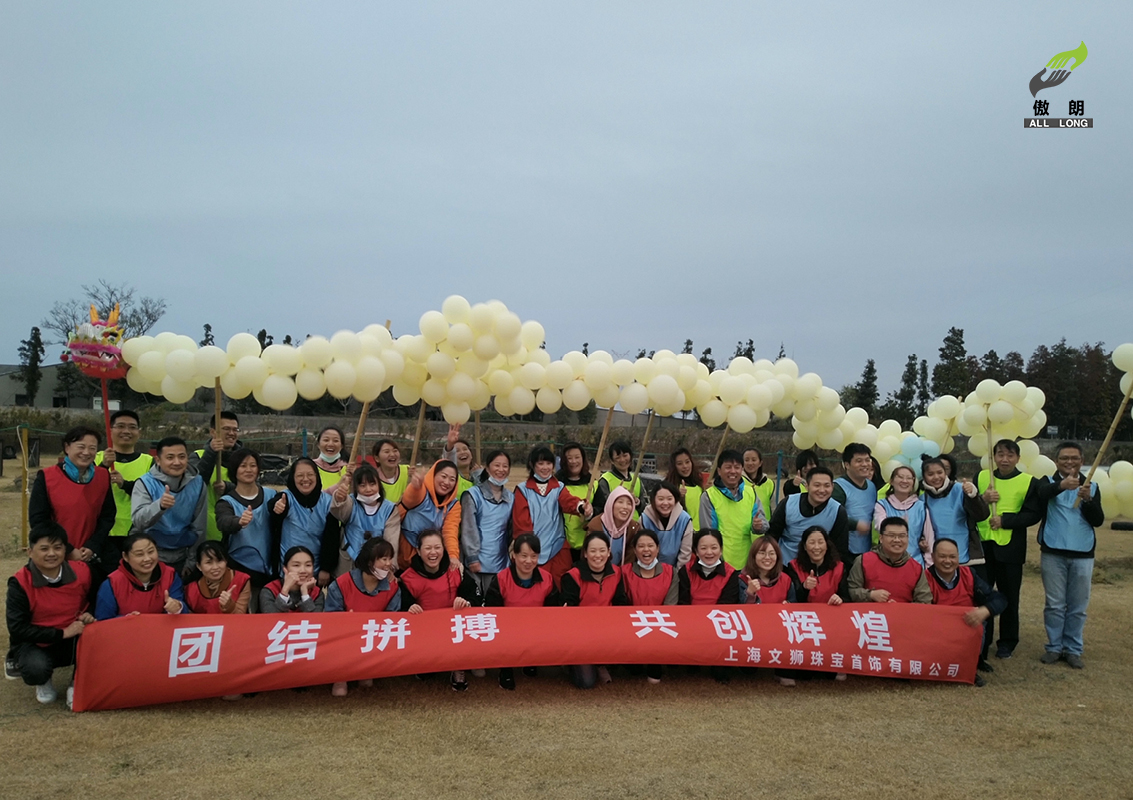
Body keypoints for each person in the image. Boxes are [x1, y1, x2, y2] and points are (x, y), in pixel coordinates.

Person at [6, 522, 95, 708]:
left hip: (75, 636)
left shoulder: (82, 571)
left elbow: (96, 600)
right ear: (30, 552)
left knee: (100, 644)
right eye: (44, 549)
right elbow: (18, 628)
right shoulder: (19, 583)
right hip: (36, 641)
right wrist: (62, 633)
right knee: (36, 669)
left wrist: (89, 614)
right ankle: (43, 679)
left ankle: (77, 683)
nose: (52, 554)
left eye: (57, 547)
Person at [1032, 442, 1104, 669]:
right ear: (1056, 461)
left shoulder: (1091, 486)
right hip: (1053, 552)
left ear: (1082, 461)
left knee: (1078, 606)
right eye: (1064, 458)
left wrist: (1088, 500)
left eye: (1074, 458)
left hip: (1083, 554)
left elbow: (1098, 520)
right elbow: (1041, 495)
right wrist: (1061, 486)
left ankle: (1073, 649)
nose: (1069, 462)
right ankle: (1054, 647)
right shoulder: (1047, 482)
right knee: (1054, 604)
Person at [977, 439, 1041, 660]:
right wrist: (983, 499)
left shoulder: (1028, 482)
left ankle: (1007, 642)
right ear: (993, 456)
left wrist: (1006, 521)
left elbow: (1033, 514)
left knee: (1010, 597)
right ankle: (982, 639)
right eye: (1000, 454)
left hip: (1011, 550)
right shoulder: (982, 477)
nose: (1005, 459)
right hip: (984, 548)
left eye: (1010, 455)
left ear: (1018, 458)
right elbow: (970, 507)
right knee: (982, 596)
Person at [399, 530, 481, 691]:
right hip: (425, 630)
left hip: (454, 629)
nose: (433, 552)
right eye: (428, 548)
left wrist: (467, 603)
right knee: (425, 672)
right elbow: (399, 609)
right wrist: (409, 608)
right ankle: (426, 662)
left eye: (437, 547)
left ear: (444, 549)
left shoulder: (456, 570)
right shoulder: (408, 577)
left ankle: (458, 667)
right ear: (418, 551)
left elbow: (475, 596)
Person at [29, 425, 115, 568]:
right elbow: (39, 520)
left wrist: (93, 546)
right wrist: (67, 549)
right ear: (67, 447)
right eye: (81, 447)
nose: (86, 452)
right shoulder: (47, 477)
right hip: (54, 555)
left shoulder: (103, 476)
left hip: (90, 556)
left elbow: (107, 516)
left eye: (92, 448)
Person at [325, 537, 401, 696]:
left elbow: (393, 618)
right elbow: (330, 617)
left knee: (366, 684)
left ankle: (366, 669)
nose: (388, 564)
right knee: (340, 691)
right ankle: (340, 676)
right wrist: (346, 619)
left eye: (390, 558)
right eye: (383, 559)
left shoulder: (393, 587)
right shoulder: (342, 584)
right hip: (345, 638)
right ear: (369, 561)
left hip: (373, 639)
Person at [484, 533, 561, 690]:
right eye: (524, 556)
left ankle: (531, 661)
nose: (528, 561)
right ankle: (506, 669)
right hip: (507, 629)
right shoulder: (501, 579)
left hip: (536, 627)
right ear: (514, 555)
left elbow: (553, 610)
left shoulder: (547, 579)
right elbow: (492, 613)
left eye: (533, 556)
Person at [925, 538, 1006, 684]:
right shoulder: (925, 579)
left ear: (959, 557)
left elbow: (999, 599)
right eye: (942, 556)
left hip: (967, 629)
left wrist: (985, 610)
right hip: (938, 633)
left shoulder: (969, 575)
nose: (947, 561)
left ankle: (972, 664)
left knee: (980, 621)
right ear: (932, 557)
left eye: (952, 556)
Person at [512, 445, 592, 585]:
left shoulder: (559, 487)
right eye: (541, 463)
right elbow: (522, 524)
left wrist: (581, 507)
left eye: (549, 463)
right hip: (533, 551)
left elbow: (568, 501)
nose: (545, 467)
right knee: (538, 587)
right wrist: (528, 549)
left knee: (562, 585)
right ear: (532, 465)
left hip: (557, 547)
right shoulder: (522, 490)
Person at [130, 436, 207, 574]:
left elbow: (199, 527)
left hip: (183, 555)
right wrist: (159, 506)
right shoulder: (145, 483)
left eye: (182, 457)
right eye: (170, 457)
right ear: (158, 460)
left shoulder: (198, 483)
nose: (177, 462)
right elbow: (138, 521)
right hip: (151, 555)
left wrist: (192, 561)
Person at [561, 531, 628, 688]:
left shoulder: (617, 573)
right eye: (593, 551)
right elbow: (568, 611)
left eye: (602, 550)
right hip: (581, 635)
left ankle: (601, 663)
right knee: (586, 682)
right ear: (585, 553)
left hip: (608, 630)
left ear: (609, 552)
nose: (598, 555)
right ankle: (574, 664)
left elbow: (621, 604)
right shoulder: (572, 576)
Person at [215, 448, 279, 607]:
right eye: (243, 466)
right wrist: (239, 522)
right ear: (234, 470)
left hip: (271, 568)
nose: (248, 470)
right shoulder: (226, 502)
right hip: (240, 569)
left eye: (253, 465)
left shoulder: (272, 495)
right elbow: (223, 522)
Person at [677, 529, 741, 683]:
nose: (709, 552)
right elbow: (683, 602)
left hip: (719, 625)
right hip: (692, 623)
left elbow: (727, 605)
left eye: (714, 547)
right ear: (696, 551)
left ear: (721, 549)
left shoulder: (731, 573)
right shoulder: (686, 571)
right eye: (703, 548)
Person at [95, 409, 153, 567]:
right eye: (120, 426)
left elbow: (152, 493)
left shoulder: (149, 462)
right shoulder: (97, 458)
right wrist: (103, 467)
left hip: (137, 532)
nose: (126, 431)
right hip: (103, 532)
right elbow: (87, 490)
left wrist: (125, 484)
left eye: (132, 427)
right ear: (110, 430)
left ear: (139, 432)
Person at [620, 529, 678, 684]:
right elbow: (622, 605)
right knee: (634, 671)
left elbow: (670, 606)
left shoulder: (671, 572)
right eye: (641, 546)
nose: (646, 550)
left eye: (650, 546)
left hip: (660, 627)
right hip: (633, 626)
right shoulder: (624, 572)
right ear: (634, 550)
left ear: (658, 549)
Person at [271, 458, 337, 586]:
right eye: (300, 475)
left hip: (315, 569)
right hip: (288, 570)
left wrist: (326, 568)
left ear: (317, 476)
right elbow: (274, 507)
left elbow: (331, 538)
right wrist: (277, 508)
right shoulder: (286, 497)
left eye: (310, 474)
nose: (305, 479)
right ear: (293, 477)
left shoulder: (327, 502)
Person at [698, 449, 768, 569]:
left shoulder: (751, 493)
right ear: (719, 471)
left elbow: (763, 524)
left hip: (748, 562)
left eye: (737, 467)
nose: (733, 471)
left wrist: (758, 526)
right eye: (728, 467)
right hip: (721, 563)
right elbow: (708, 533)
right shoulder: (709, 496)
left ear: (742, 470)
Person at [94, 533, 189, 618]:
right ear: (125, 557)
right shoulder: (113, 583)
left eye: (151, 552)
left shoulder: (170, 575)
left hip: (162, 631)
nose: (147, 559)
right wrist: (125, 620)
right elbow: (103, 621)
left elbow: (183, 612)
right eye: (139, 554)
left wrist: (178, 607)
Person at [767, 466, 849, 565]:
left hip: (818, 566)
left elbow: (840, 548)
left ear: (832, 487)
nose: (822, 490)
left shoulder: (838, 511)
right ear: (807, 485)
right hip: (785, 563)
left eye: (827, 486)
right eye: (817, 485)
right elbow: (772, 535)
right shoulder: (788, 503)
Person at [921, 456, 988, 572]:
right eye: (930, 474)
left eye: (940, 472)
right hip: (937, 557)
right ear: (924, 476)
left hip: (965, 555)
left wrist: (973, 496)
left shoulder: (960, 489)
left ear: (946, 473)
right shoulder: (922, 499)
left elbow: (981, 515)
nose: (936, 477)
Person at [461, 450, 514, 594]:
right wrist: (472, 558)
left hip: (501, 563)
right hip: (476, 564)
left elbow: (510, 530)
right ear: (487, 468)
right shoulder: (473, 495)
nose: (501, 470)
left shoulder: (511, 498)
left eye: (505, 466)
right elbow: (468, 529)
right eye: (497, 465)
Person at [331, 464, 401, 572]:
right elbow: (340, 512)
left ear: (379, 484)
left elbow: (392, 540)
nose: (368, 489)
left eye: (372, 484)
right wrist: (339, 498)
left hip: (377, 565)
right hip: (349, 562)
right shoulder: (350, 501)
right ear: (356, 487)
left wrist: (389, 566)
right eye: (362, 485)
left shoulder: (390, 509)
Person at [847, 518, 932, 604]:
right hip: (870, 611)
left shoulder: (916, 568)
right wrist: (870, 595)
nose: (897, 540)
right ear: (881, 538)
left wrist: (900, 608)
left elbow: (925, 600)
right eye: (891, 535)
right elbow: (851, 590)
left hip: (903, 612)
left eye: (902, 536)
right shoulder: (863, 561)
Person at [398, 460, 462, 568]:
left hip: (430, 558)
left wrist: (453, 555)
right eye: (443, 476)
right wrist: (414, 487)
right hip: (403, 554)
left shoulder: (454, 505)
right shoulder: (421, 490)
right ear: (433, 475)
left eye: (452, 479)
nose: (447, 482)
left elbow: (450, 531)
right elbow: (410, 498)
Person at [189, 411, 241, 541]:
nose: (231, 433)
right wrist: (211, 453)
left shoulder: (244, 460)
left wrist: (228, 488)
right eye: (226, 429)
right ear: (213, 432)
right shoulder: (197, 456)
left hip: (237, 532)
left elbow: (252, 491)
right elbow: (194, 486)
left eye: (235, 429)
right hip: (204, 533)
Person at [873, 465, 934, 567]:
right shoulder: (882, 505)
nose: (904, 481)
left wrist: (929, 566)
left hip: (915, 563)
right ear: (891, 481)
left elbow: (929, 538)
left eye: (909, 478)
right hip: (887, 562)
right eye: (900, 477)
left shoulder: (921, 507)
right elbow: (881, 527)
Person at [832, 443, 878, 563]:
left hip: (867, 549)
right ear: (847, 465)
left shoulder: (872, 486)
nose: (865, 464)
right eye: (859, 461)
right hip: (845, 552)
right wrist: (856, 525)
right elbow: (832, 516)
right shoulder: (838, 487)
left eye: (867, 460)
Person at [786, 525, 848, 606]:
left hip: (831, 611)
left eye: (820, 542)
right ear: (804, 546)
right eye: (812, 542)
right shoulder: (794, 566)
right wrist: (804, 587)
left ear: (827, 545)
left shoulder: (839, 567)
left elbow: (846, 598)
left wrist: (840, 599)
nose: (816, 547)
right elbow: (794, 599)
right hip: (805, 612)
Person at [184, 541, 251, 614]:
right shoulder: (190, 590)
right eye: (209, 562)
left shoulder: (241, 580)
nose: (215, 567)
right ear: (199, 566)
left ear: (226, 561)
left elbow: (241, 616)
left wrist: (229, 606)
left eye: (219, 561)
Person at [640, 482, 693, 568]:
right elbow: (642, 550)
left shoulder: (684, 520)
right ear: (653, 500)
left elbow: (685, 553)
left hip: (676, 570)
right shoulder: (645, 519)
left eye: (669, 499)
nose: (665, 503)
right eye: (660, 499)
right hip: (649, 569)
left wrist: (677, 573)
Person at [259, 546, 324, 613]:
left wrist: (305, 593)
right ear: (285, 569)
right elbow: (271, 617)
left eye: (308, 565)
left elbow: (315, 618)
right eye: (296, 565)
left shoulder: (317, 593)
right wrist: (285, 590)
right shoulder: (270, 590)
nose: (303, 570)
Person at [556, 442, 592, 559]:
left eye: (577, 457)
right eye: (569, 458)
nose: (573, 461)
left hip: (588, 544)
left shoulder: (592, 483)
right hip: (561, 545)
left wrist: (590, 512)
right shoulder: (556, 484)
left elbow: (601, 508)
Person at [588, 486, 639, 566]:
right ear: (611, 504)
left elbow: (630, 559)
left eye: (629, 503)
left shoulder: (633, 528)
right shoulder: (596, 525)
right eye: (620, 502)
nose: (625, 507)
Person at [592, 441, 644, 517]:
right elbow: (602, 507)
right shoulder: (605, 480)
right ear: (612, 461)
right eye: (618, 457)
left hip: (635, 523)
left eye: (625, 455)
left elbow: (644, 507)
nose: (622, 460)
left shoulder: (636, 479)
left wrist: (637, 502)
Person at [665, 447, 705, 530]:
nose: (685, 466)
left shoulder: (698, 484)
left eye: (687, 462)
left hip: (700, 531)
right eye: (680, 464)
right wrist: (677, 498)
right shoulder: (668, 487)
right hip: (683, 531)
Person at [441, 423, 480, 497]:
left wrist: (479, 475)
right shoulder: (452, 477)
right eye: (457, 451)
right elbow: (449, 458)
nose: (462, 452)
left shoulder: (478, 475)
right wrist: (450, 445)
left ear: (471, 454)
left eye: (465, 449)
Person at [372, 438, 411, 505]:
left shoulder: (408, 471)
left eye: (395, 451)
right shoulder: (372, 477)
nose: (392, 454)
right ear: (377, 458)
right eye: (387, 452)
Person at [311, 425, 350, 489]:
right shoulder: (310, 467)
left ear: (341, 446)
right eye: (326, 440)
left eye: (335, 441)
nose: (330, 444)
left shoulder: (348, 469)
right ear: (318, 444)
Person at [742, 447, 776, 516]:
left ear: (760, 463)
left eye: (754, 460)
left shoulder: (769, 483)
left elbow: (773, 508)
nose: (750, 463)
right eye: (746, 460)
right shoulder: (737, 482)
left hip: (765, 522)